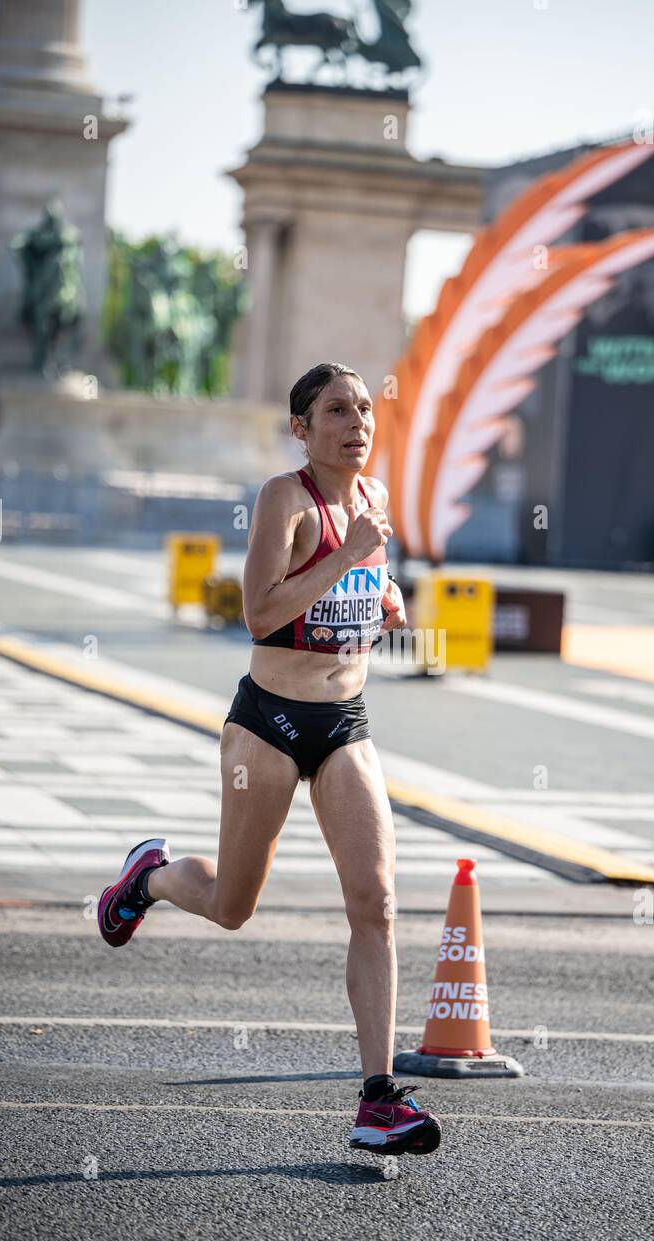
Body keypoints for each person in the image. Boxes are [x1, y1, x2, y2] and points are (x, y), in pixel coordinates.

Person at [96, 362, 441, 1158]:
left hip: (346, 723)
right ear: (301, 428)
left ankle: (378, 1099)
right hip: (269, 728)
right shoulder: (286, 500)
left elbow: (369, 591)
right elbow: (258, 613)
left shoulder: (376, 499)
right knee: (232, 905)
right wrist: (344, 555)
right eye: (335, 410)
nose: (356, 422)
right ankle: (149, 877)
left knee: (377, 903)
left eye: (363, 409)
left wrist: (385, 602)